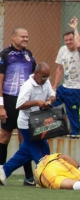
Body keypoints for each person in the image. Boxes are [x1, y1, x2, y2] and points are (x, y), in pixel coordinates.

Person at [0, 62, 56, 185]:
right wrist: (37, 102)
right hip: (26, 125)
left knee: (26, 151)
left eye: (47, 77)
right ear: (36, 74)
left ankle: (3, 171)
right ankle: (46, 175)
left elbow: (52, 94)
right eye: (43, 77)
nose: (45, 79)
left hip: (39, 122)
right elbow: (19, 105)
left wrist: (49, 100)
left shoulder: (45, 82)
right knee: (39, 149)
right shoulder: (27, 86)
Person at [0, 27, 36, 186]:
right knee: (5, 136)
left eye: (27, 37)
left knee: (25, 138)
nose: (25, 39)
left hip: (25, 102)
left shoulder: (29, 55)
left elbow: (34, 79)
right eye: (22, 36)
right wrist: (1, 106)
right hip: (8, 100)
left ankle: (28, 177)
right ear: (13, 37)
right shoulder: (5, 55)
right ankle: (1, 172)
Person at [52, 17, 80, 139]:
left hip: (78, 89)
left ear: (75, 38)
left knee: (76, 116)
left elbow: (79, 45)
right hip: (65, 87)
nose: (68, 42)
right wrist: (55, 87)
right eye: (66, 40)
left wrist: (75, 28)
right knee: (48, 103)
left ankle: (77, 139)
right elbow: (59, 69)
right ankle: (51, 130)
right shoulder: (62, 50)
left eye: (71, 39)